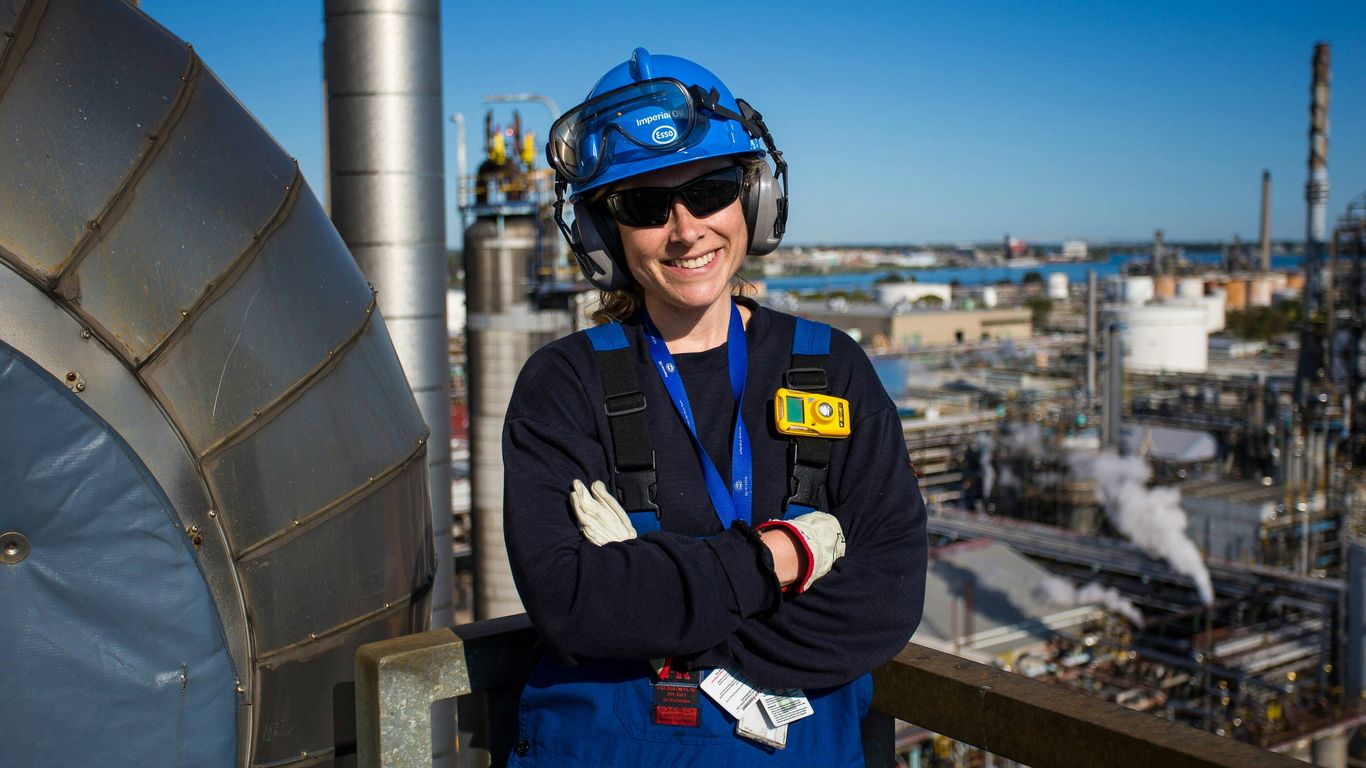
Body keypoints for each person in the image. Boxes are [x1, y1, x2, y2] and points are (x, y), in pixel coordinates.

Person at [502, 47, 927, 766]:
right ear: (605, 235)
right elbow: (572, 601)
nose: (686, 228)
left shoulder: (832, 371)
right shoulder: (562, 387)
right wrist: (780, 560)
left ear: (752, 201)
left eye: (711, 189)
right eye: (643, 203)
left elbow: (885, 599)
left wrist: (656, 592)